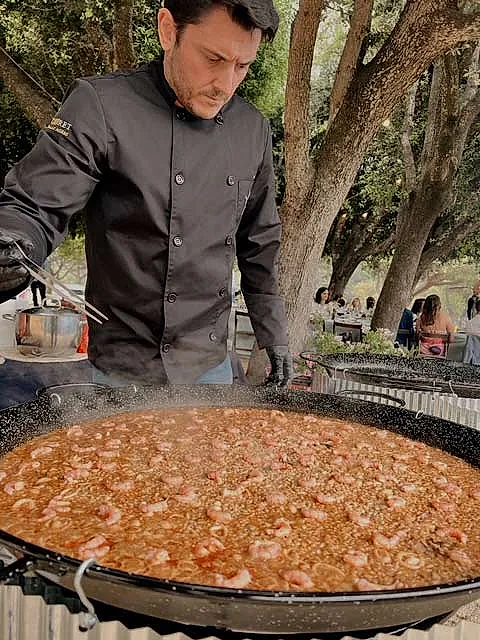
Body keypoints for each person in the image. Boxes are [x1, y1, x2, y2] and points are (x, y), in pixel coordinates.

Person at [0, 0, 293, 387]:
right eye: (213, 58)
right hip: (118, 369)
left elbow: (260, 243)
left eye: (243, 66)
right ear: (168, 29)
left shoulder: (252, 130)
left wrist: (273, 333)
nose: (226, 85)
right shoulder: (101, 107)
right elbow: (36, 203)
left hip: (209, 368)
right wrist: (14, 240)